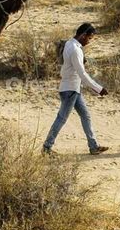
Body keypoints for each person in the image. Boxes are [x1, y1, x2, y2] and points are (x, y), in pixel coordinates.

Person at [42, 23, 109, 155]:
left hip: (73, 88)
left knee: (85, 116)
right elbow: (82, 74)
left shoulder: (69, 44)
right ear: (83, 35)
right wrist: (98, 88)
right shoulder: (75, 49)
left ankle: (93, 146)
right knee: (61, 119)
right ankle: (46, 147)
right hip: (70, 90)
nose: (89, 42)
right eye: (89, 38)